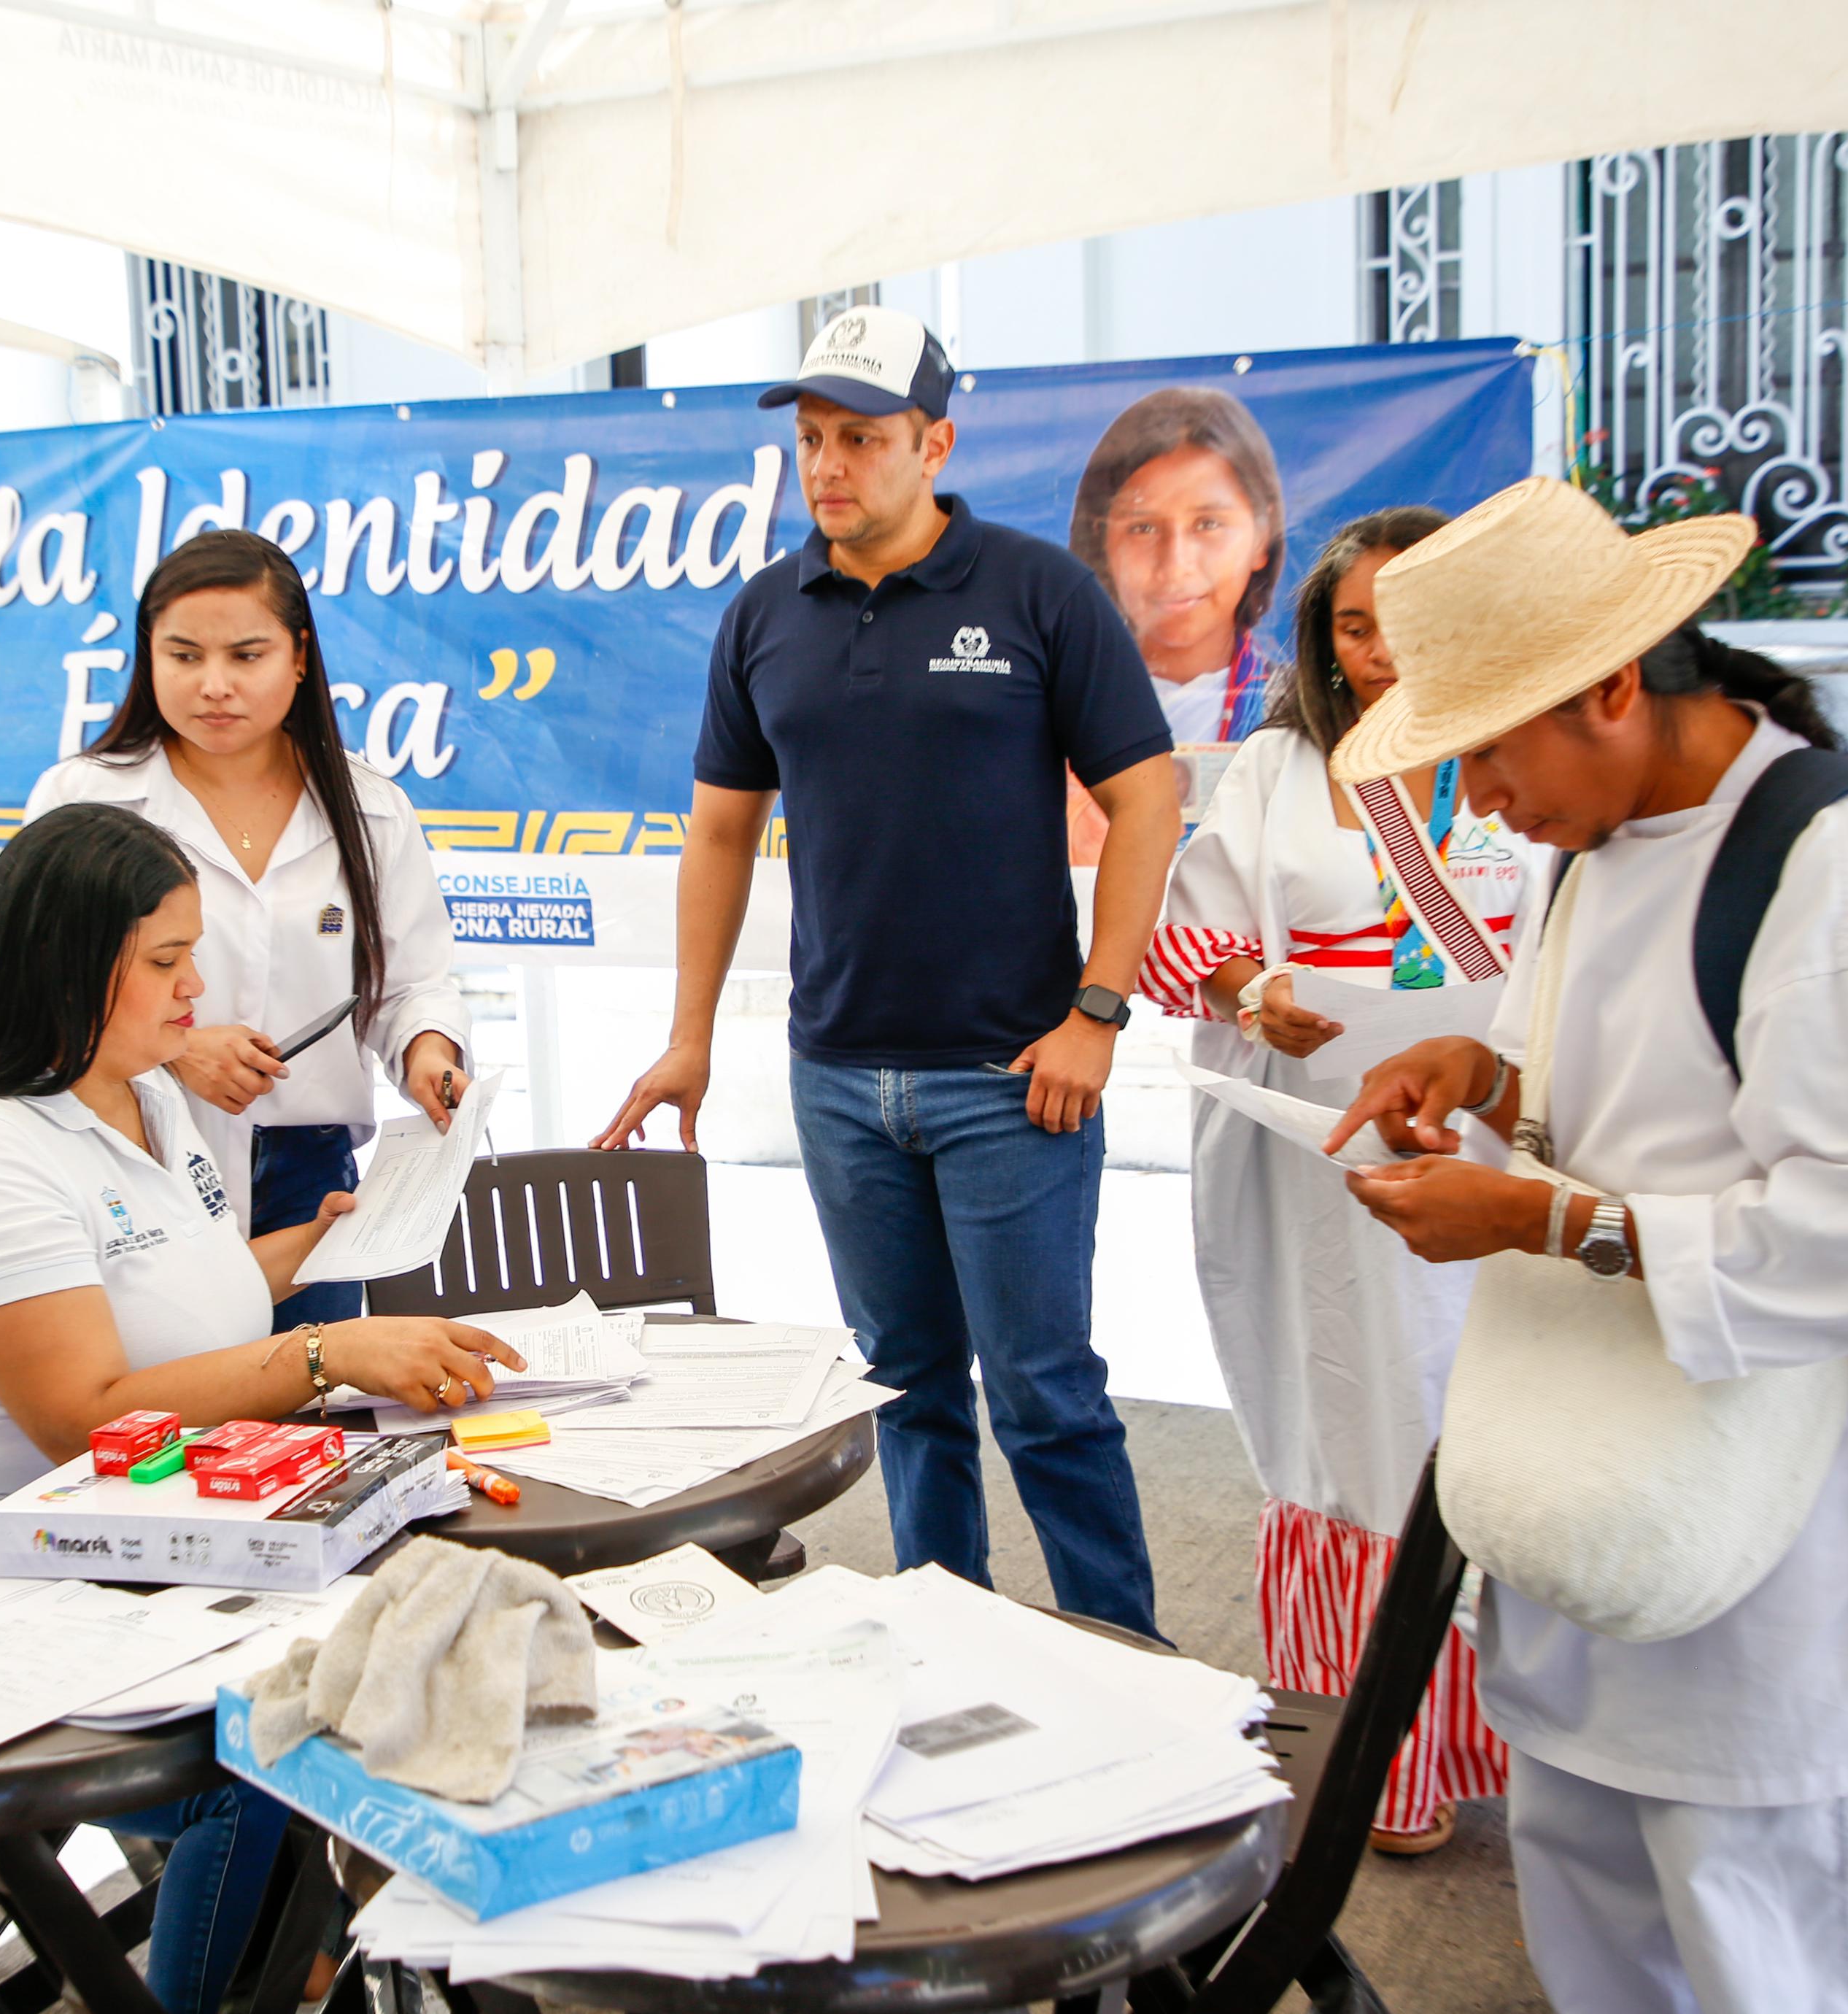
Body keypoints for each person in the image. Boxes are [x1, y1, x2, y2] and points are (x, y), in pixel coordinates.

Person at [1325, 478, 1848, 2014]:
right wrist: (1481, 1077)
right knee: (1599, 1922)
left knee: (1786, 1961)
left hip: (1772, 1548)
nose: (1479, 797)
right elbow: (1592, 1092)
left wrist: (1539, 1218)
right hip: (1594, 1502)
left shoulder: (1843, 870)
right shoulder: (1602, 836)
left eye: (1491, 746)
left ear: (1615, 686)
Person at [0, 797, 520, 2014]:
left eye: (190, 952)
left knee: (413, 1636)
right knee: (275, 1749)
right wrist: (323, 1352)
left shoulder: (149, 1100)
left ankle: (326, 1962)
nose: (194, 984)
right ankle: (225, 1998)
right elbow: (87, 1412)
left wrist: (310, 1249)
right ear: (66, 960)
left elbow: (180, 1300)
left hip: (124, 1538)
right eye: (164, 959)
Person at [594, 305, 1183, 1635]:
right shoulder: (765, 615)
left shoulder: (1037, 592)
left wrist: (1098, 1008)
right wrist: (688, 1035)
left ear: (935, 443)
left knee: (1047, 1398)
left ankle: (1138, 1668)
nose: (828, 464)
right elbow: (723, 829)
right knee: (907, 1390)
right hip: (842, 1081)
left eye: (860, 436)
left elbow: (1148, 798)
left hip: (1014, 1076)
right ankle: (947, 1647)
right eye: (811, 438)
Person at [1138, 506, 1538, 1855]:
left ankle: (1512, 1732)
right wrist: (1255, 990)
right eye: (1351, 624)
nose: (1376, 652)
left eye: (1404, 623)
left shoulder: (1524, 754)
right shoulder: (1275, 764)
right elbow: (1186, 936)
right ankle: (1382, 1755)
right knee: (1352, 1421)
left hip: (1506, 1145)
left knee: (1496, 1421)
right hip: (1319, 1152)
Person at [26, 530, 471, 1329]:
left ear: (299, 657)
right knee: (169, 1419)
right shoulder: (81, 802)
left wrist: (426, 1049)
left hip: (312, 1171)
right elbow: (32, 988)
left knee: (319, 1418)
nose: (214, 685)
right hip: (134, 1163)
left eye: (246, 654)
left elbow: (411, 983)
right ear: (147, 655)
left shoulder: (367, 807)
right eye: (185, 655)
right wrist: (175, 1047)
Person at [1067, 385, 1288, 749]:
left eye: (1208, 524)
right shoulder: (1049, 713)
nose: (1175, 565)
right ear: (1102, 543)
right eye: (1143, 528)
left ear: (1261, 537)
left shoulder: (1307, 716)